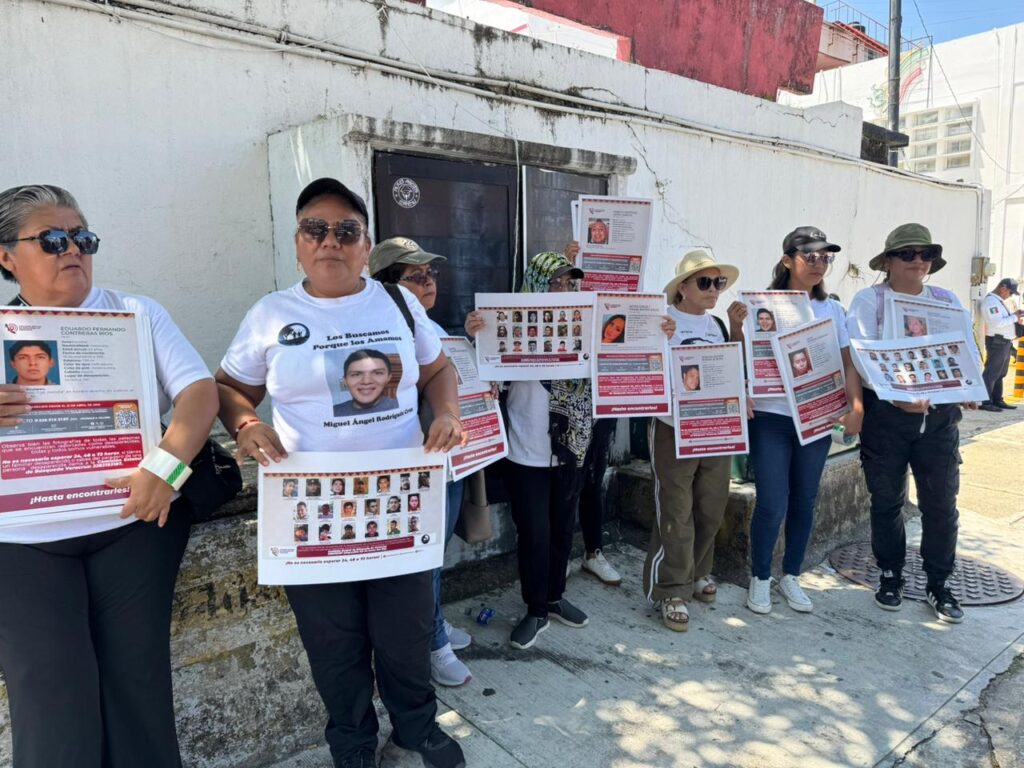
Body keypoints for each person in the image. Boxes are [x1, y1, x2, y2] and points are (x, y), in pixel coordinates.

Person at [216, 179, 465, 768]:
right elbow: (227, 388)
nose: (332, 240)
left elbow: (438, 371)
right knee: (333, 643)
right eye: (316, 229)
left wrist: (449, 412)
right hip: (312, 513)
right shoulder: (271, 314)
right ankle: (352, 743)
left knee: (405, 634)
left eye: (346, 230)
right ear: (299, 243)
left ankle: (416, 728)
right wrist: (247, 423)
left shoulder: (397, 303)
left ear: (365, 242)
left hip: (398, 503)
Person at [0, 184, 218, 768]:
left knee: (137, 684)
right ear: (6, 257)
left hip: (133, 522)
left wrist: (167, 468)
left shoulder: (137, 312)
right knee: (49, 693)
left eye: (82, 238)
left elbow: (199, 394)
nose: (72, 248)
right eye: (51, 239)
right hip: (23, 540)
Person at [846, 223, 979, 624]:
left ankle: (940, 583)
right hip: (888, 416)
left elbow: (963, 346)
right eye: (908, 254)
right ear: (888, 261)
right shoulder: (870, 300)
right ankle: (890, 574)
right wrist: (898, 397)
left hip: (939, 420)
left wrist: (967, 383)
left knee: (941, 504)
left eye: (926, 254)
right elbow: (863, 354)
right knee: (886, 501)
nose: (919, 261)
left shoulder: (945, 299)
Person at [370, 235, 476, 689]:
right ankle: (434, 644)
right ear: (388, 286)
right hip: (413, 466)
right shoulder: (380, 331)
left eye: (431, 273)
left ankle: (434, 623)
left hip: (451, 460)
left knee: (437, 553)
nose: (430, 281)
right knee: (421, 560)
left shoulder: (436, 327)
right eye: (417, 275)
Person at [745, 227, 864, 617]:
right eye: (809, 255)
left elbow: (847, 362)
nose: (818, 263)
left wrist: (856, 406)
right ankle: (760, 576)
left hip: (816, 418)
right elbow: (743, 357)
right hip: (771, 417)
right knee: (771, 502)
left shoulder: (833, 309)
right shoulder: (760, 305)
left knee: (805, 500)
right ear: (787, 260)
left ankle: (791, 575)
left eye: (825, 257)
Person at [645, 249, 746, 631]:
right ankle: (671, 589)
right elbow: (638, 366)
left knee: (711, 505)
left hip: (716, 426)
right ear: (682, 287)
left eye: (718, 282)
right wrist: (656, 339)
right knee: (674, 509)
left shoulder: (717, 325)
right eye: (704, 282)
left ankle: (698, 570)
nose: (713, 290)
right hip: (672, 427)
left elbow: (731, 369)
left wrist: (736, 332)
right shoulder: (662, 321)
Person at [980, 278, 1022, 411]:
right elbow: (997, 322)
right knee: (991, 372)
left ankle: (997, 399)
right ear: (1003, 288)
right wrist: (1015, 316)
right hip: (997, 341)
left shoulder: (998, 302)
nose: (1010, 296)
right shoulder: (991, 302)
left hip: (1004, 341)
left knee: (1000, 373)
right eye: (1010, 292)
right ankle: (985, 402)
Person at [333, 349, 399, 417]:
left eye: (377, 373)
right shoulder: (333, 412)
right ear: (345, 381)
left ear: (388, 378)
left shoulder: (401, 408)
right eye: (356, 374)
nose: (366, 381)